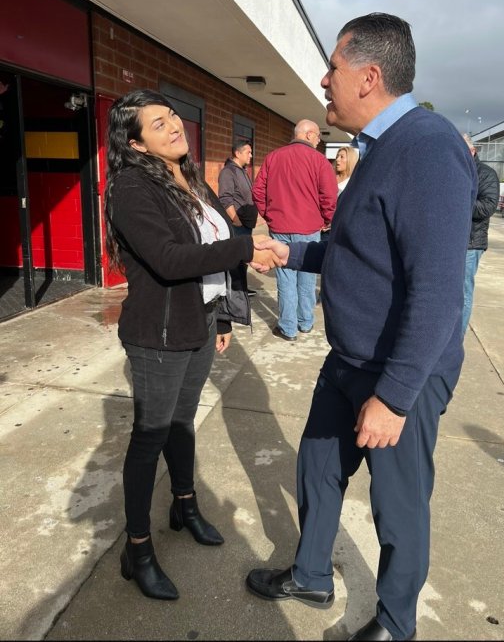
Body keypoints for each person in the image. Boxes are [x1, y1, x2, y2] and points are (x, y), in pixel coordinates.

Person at [246, 14, 477, 641]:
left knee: (397, 509)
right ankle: (313, 574)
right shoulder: (379, 151)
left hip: (396, 371)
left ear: (369, 77)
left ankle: (397, 624)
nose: (324, 81)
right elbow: (358, 253)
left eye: (334, 69)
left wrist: (395, 396)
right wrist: (288, 253)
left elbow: (436, 292)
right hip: (348, 359)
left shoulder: (427, 148)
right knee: (318, 468)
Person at [104, 89, 279, 601]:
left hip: (198, 324)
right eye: (158, 124)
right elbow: (171, 259)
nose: (174, 126)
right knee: (149, 438)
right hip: (157, 335)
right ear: (135, 144)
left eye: (173, 116)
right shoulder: (131, 186)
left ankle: (185, 505)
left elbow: (211, 252)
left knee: (182, 423)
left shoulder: (189, 178)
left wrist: (222, 314)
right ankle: (137, 549)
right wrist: (249, 246)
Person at [252, 119, 337, 341]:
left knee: (285, 279)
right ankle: (305, 322)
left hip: (280, 226)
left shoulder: (273, 157)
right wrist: (329, 219)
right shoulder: (319, 161)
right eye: (318, 136)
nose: (319, 140)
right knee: (306, 278)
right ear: (308, 135)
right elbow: (329, 196)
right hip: (308, 227)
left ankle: (288, 327)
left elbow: (258, 191)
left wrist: (269, 214)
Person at [461, 134, 499, 335]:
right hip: (451, 241)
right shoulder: (452, 170)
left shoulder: (486, 174)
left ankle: (456, 341)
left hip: (471, 243)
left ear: (472, 151)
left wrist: (457, 201)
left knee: (463, 293)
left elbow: (487, 207)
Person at [218, 138, 259, 295]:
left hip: (245, 225)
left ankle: (242, 288)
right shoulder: (228, 172)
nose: (251, 155)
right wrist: (236, 220)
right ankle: (235, 291)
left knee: (243, 258)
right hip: (237, 225)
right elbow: (225, 198)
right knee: (236, 258)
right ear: (237, 153)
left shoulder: (242, 171)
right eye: (248, 152)